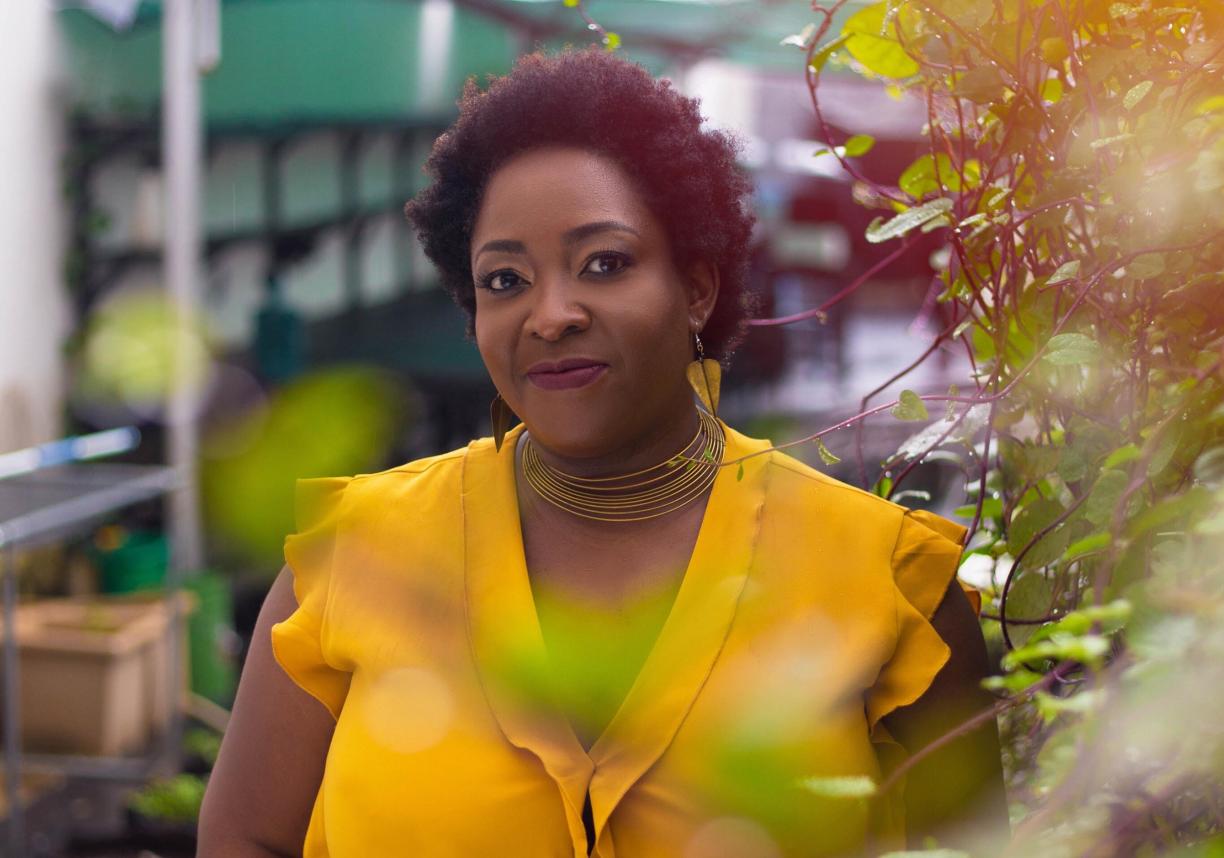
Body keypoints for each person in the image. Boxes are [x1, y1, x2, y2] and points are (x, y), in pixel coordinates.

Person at [198, 49, 1007, 858]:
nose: (550, 314)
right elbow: (245, 840)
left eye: (605, 264)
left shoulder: (890, 589)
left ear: (697, 286)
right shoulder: (352, 561)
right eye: (505, 280)